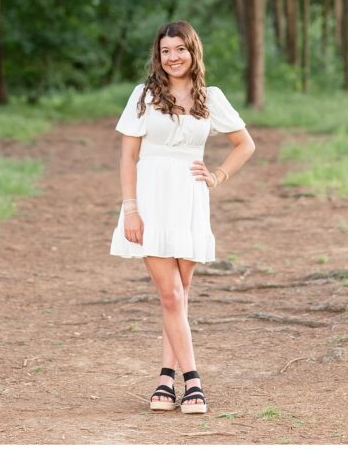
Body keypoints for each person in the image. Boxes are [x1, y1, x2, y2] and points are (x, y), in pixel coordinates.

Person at [110, 20, 255, 414]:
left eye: (180, 49)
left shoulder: (211, 98)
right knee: (171, 294)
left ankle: (163, 379)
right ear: (158, 57)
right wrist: (130, 209)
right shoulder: (143, 97)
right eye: (165, 51)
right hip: (150, 200)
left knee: (180, 297)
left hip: (190, 200)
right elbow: (128, 156)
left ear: (193, 52)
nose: (173, 57)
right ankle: (193, 382)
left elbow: (245, 144)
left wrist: (218, 175)